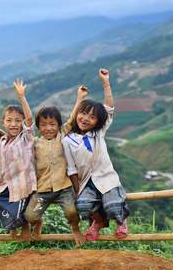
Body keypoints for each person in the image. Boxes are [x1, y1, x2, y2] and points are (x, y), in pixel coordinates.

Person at [62, 69, 130, 241]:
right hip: (86, 182)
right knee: (83, 205)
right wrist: (77, 190)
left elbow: (109, 108)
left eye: (92, 117)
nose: (85, 118)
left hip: (106, 178)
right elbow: (71, 169)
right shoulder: (68, 140)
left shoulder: (98, 133)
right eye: (83, 113)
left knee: (113, 205)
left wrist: (105, 82)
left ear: (98, 122)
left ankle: (122, 221)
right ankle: (98, 223)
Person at [24, 87, 88, 246]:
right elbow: (27, 123)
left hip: (63, 188)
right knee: (31, 216)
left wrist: (80, 98)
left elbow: (72, 119)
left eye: (52, 124)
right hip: (43, 190)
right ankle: (38, 223)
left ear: (58, 125)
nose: (48, 128)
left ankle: (75, 229)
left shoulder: (63, 137)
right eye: (43, 124)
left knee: (72, 212)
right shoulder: (35, 142)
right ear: (39, 127)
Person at [0, 79, 36, 241]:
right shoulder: (3, 140)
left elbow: (30, 120)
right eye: (9, 120)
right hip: (4, 188)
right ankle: (11, 221)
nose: (13, 124)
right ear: (4, 122)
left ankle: (22, 224)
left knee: (16, 215)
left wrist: (22, 97)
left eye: (18, 121)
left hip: (21, 188)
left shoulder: (26, 138)